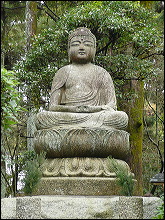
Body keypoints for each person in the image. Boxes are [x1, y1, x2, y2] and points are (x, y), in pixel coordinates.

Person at [35, 27, 128, 130]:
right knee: (42, 118)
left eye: (87, 44)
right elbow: (53, 107)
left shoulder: (102, 73)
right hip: (69, 116)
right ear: (69, 49)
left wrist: (92, 109)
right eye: (76, 44)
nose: (81, 47)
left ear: (94, 49)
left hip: (95, 115)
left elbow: (111, 105)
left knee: (121, 118)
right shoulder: (63, 72)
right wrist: (74, 109)